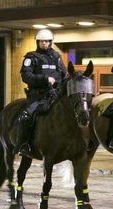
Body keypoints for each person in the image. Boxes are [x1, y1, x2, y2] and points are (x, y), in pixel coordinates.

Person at [14, 29, 67, 157]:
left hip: (56, 94)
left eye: (48, 41)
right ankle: (23, 144)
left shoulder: (56, 57)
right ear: (38, 42)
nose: (45, 44)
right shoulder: (31, 58)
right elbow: (26, 76)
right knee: (26, 116)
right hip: (38, 95)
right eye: (43, 41)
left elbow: (63, 74)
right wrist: (45, 79)